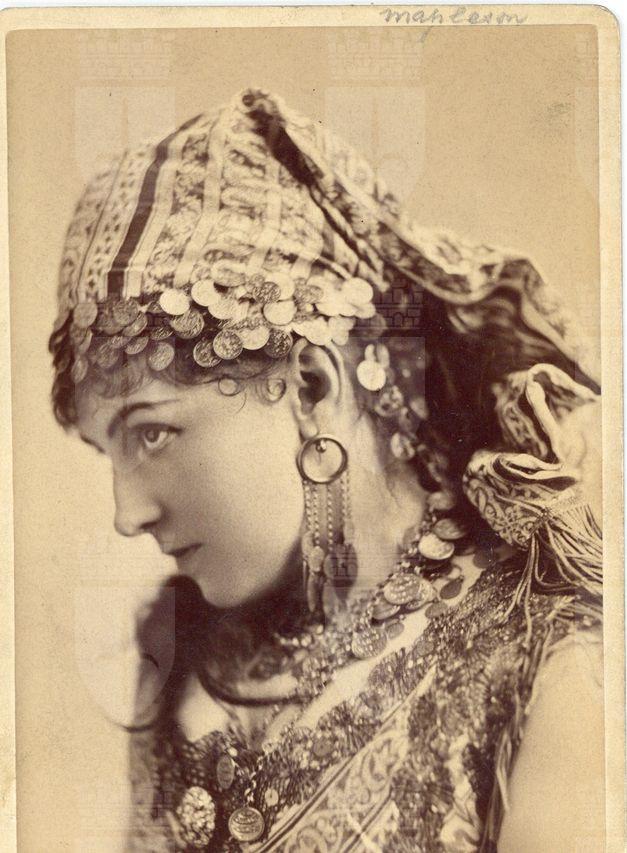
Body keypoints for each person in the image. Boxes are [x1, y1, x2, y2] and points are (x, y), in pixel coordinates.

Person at [49, 88, 604, 852]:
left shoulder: (552, 657)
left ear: (310, 385)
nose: (126, 513)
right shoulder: (180, 650)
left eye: (151, 433)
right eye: (106, 451)